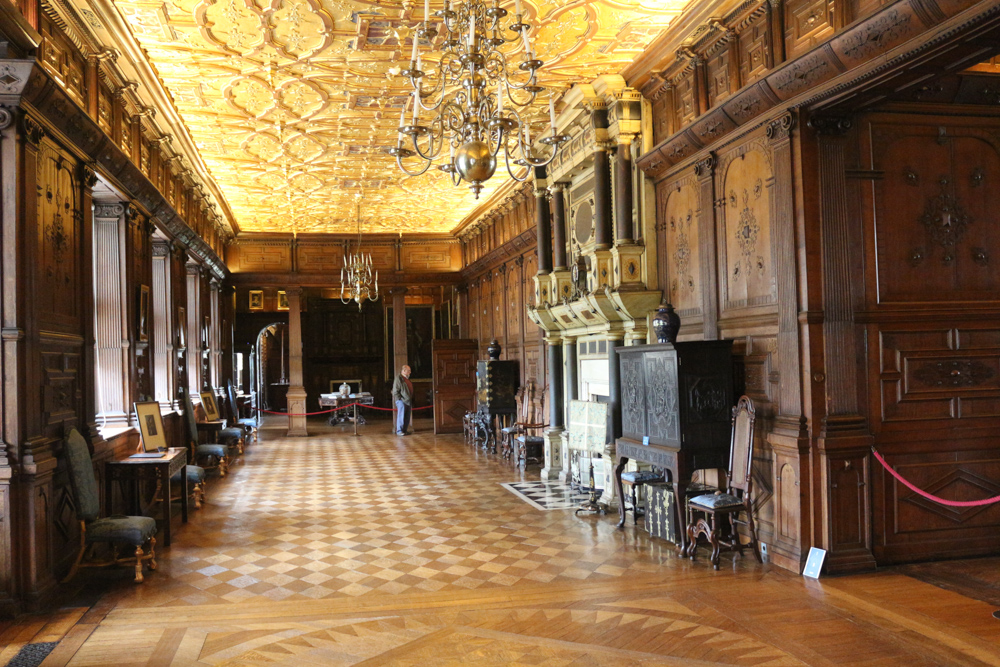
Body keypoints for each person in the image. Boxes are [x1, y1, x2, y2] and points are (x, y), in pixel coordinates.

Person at [391, 364, 413, 436]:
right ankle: (399, 431)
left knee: (407, 416)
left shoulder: (406, 379)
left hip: (408, 400)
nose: (410, 372)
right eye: (408, 371)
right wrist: (400, 400)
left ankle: (404, 430)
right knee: (401, 416)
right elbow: (395, 391)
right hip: (402, 401)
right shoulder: (398, 378)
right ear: (404, 371)